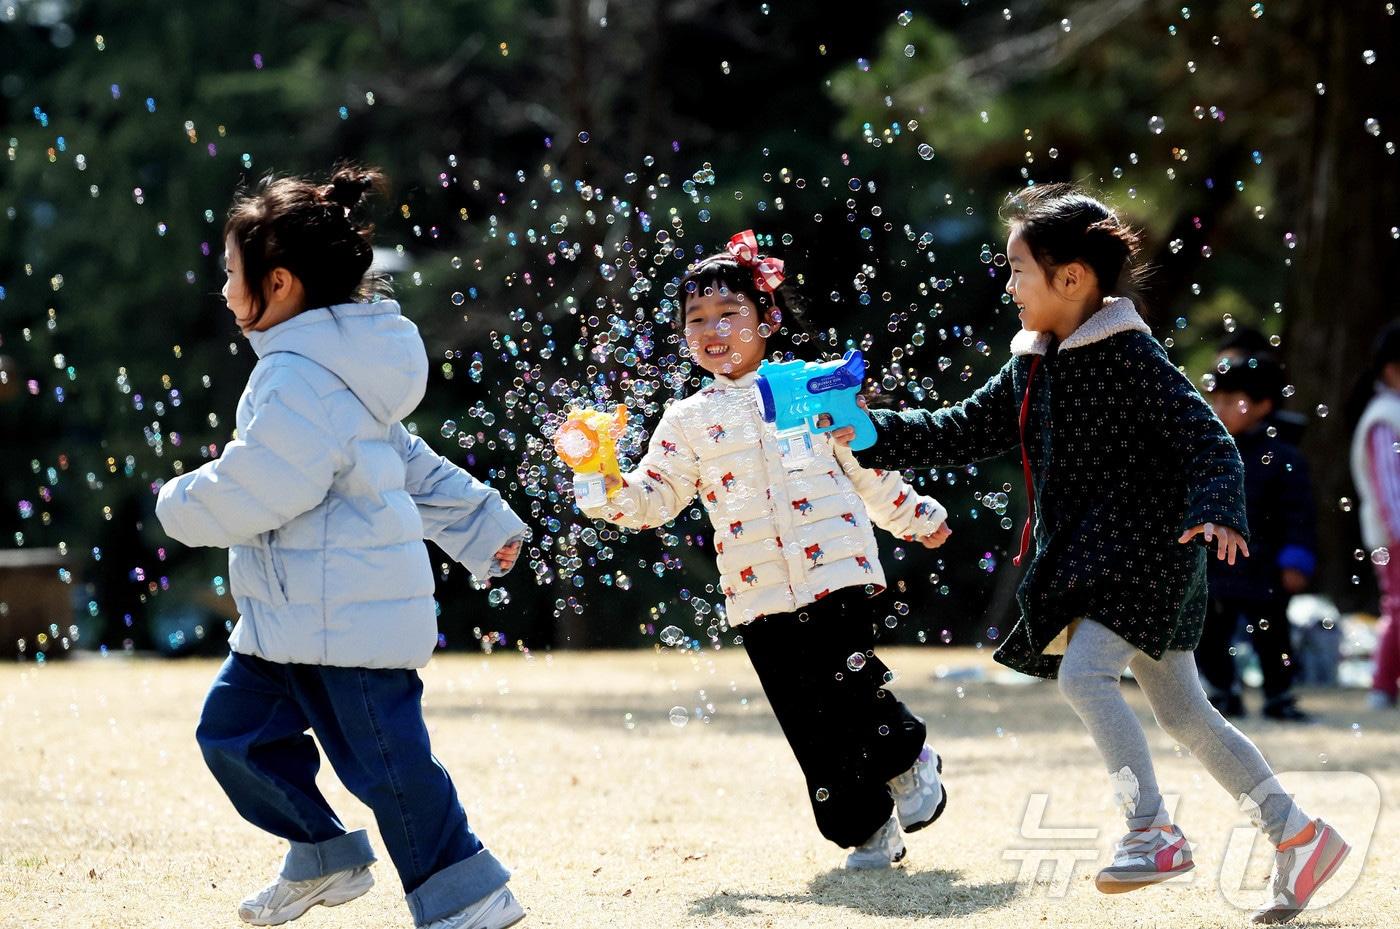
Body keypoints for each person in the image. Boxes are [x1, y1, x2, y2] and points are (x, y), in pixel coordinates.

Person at [832, 185, 1348, 923]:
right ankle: (1298, 834)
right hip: (1094, 560)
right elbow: (959, 427)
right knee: (1188, 714)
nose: (1007, 285)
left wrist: (1216, 512)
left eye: (1017, 270)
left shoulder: (1131, 355)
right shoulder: (1031, 364)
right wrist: (871, 427)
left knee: (1085, 673)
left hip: (1150, 555)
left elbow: (1209, 442)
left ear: (1072, 278)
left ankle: (1152, 830)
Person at [155, 166, 529, 929]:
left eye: (232, 274)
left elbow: (265, 483)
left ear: (280, 283)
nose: (224, 291)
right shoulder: (333, 371)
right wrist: (482, 521)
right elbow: (409, 464)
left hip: (347, 624)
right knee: (233, 734)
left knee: (389, 768)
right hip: (289, 621)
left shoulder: (298, 377)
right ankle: (322, 854)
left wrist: (178, 500)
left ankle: (469, 891)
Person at [562, 231, 951, 870]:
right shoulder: (685, 420)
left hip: (838, 572)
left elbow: (869, 467)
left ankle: (907, 758)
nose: (712, 330)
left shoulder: (813, 386)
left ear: (767, 319)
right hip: (758, 594)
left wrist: (916, 517)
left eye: (728, 314)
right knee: (809, 723)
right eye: (696, 320)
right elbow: (654, 497)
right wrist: (599, 481)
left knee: (849, 685)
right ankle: (865, 830)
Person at [1198, 337, 1317, 720]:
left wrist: (1296, 559)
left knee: (1273, 635)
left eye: (1233, 401)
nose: (1221, 409)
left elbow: (1299, 514)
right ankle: (1221, 691)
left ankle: (1279, 694)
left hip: (1265, 566)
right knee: (1210, 633)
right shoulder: (1209, 451)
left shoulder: (1285, 457)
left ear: (1264, 406)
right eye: (1217, 401)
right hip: (1215, 565)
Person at [1348, 321, 1400, 709]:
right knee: (1397, 608)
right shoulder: (1385, 415)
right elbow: (1389, 487)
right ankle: (1383, 686)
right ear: (1391, 369)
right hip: (1393, 535)